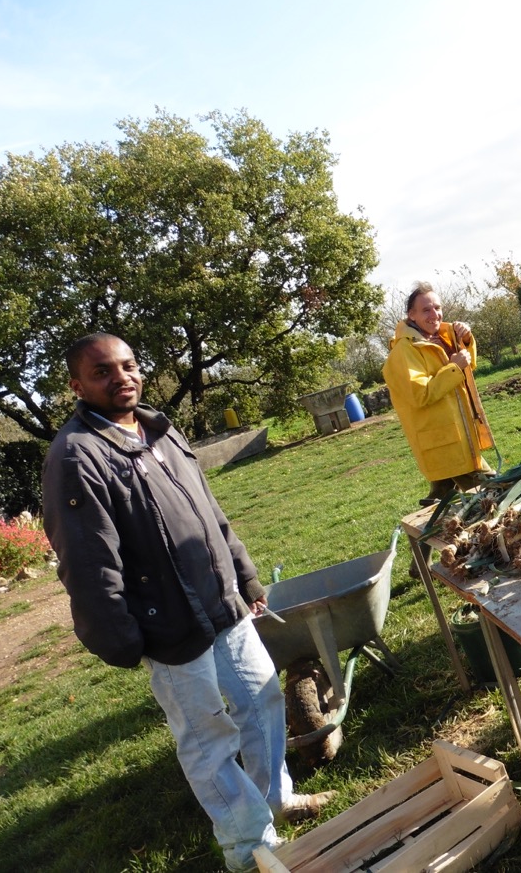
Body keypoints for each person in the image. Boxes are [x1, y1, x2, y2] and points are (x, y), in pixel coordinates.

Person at [41, 333, 335, 873]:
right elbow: (86, 562)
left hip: (224, 604)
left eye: (128, 365)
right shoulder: (77, 456)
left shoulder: (158, 430)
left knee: (263, 702)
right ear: (77, 385)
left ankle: (275, 800)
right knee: (208, 739)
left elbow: (210, 514)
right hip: (169, 626)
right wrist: (123, 638)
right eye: (103, 371)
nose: (121, 377)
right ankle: (247, 847)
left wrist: (245, 577)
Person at [382, 282, 492, 505]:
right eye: (426, 310)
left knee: (445, 496)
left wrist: (466, 340)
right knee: (493, 488)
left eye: (437, 308)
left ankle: (436, 503)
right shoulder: (404, 351)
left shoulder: (441, 337)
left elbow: (468, 370)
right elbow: (421, 394)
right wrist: (454, 367)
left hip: (458, 436)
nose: (435, 314)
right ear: (411, 315)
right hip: (444, 443)